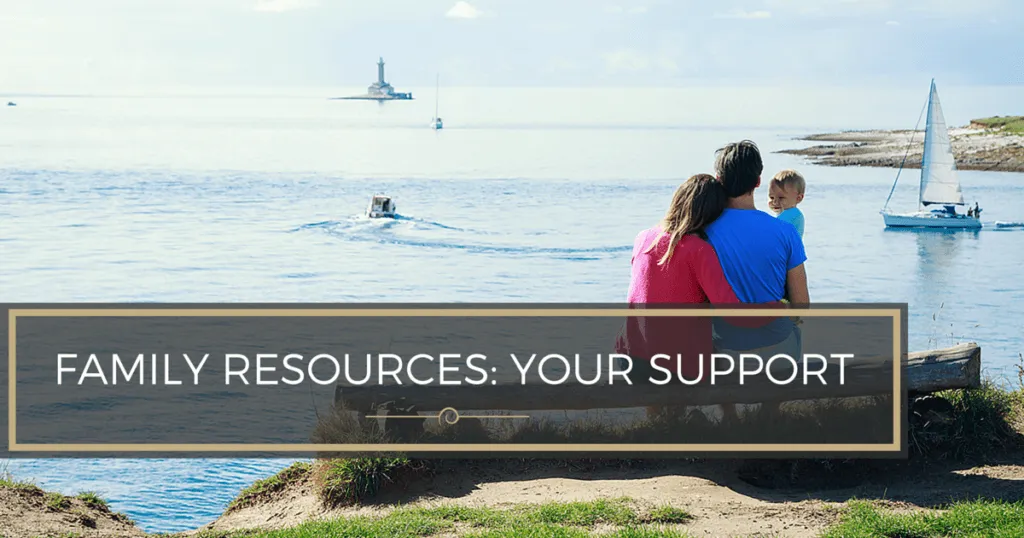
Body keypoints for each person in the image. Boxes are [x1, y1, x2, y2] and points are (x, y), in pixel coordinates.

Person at [704, 140, 810, 419]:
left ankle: (729, 416)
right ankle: (769, 411)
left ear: (719, 180)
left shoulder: (702, 232)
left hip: (726, 352)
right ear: (759, 181)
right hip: (779, 352)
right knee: (792, 326)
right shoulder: (785, 233)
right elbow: (802, 306)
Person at [767, 169, 806, 238]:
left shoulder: (792, 213)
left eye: (781, 198)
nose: (775, 202)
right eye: (772, 198)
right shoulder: (790, 214)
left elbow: (772, 230)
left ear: (798, 198)